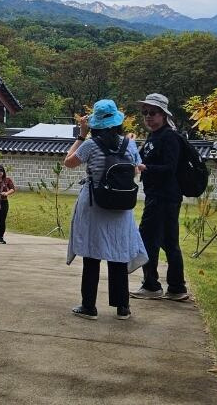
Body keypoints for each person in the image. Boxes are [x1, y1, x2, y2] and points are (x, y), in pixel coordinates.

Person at [63, 99, 148, 320]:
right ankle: (122, 307)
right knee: (118, 253)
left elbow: (68, 162)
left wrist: (81, 136)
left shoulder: (91, 145)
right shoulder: (129, 145)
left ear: (96, 124)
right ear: (117, 122)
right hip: (121, 205)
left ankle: (89, 306)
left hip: (95, 204)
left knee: (92, 254)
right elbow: (137, 170)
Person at [130, 93, 189, 301]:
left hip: (164, 197)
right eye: (144, 112)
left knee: (148, 239)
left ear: (163, 115)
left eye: (153, 112)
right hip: (159, 196)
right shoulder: (154, 136)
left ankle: (152, 285)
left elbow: (170, 168)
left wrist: (146, 168)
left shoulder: (169, 137)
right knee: (168, 241)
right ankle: (176, 288)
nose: (148, 116)